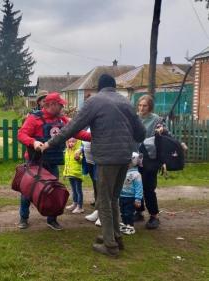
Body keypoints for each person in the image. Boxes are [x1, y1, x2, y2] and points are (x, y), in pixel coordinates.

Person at [40, 74, 145, 257]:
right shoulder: (126, 102)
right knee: (113, 198)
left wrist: (50, 143)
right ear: (114, 86)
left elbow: (72, 127)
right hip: (124, 158)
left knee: (103, 201)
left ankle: (110, 246)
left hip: (106, 158)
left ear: (99, 88)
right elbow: (141, 133)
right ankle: (115, 237)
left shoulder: (94, 102)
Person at [17, 92, 91, 231]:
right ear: (51, 105)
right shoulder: (34, 118)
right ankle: (23, 217)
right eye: (60, 104)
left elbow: (78, 133)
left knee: (53, 192)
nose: (63, 107)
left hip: (51, 163)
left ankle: (52, 220)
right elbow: (21, 134)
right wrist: (33, 142)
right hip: (35, 162)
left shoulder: (62, 120)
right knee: (27, 190)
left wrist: (96, 136)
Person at [134, 94, 166, 229]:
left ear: (150, 106)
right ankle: (139, 211)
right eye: (140, 105)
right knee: (136, 185)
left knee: (148, 188)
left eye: (145, 105)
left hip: (150, 158)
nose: (142, 108)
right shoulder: (134, 118)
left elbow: (165, 133)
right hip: (135, 156)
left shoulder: (156, 119)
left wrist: (161, 130)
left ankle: (154, 216)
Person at [119, 152, 143, 235]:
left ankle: (130, 226)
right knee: (122, 211)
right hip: (122, 196)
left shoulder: (136, 175)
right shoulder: (124, 172)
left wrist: (138, 199)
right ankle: (124, 224)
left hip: (131, 197)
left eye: (128, 162)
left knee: (128, 212)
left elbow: (139, 188)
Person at [63, 138, 85, 214]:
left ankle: (80, 207)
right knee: (74, 190)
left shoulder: (78, 151)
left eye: (73, 142)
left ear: (77, 142)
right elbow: (67, 163)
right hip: (70, 174)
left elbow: (81, 160)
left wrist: (78, 158)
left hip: (77, 174)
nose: (71, 143)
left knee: (78, 190)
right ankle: (75, 203)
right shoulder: (67, 151)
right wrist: (65, 174)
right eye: (69, 142)